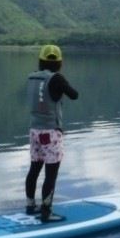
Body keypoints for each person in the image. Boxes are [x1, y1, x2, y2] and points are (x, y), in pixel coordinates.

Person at [25, 44, 79, 222]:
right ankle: (46, 212)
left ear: (41, 61)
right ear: (59, 63)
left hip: (34, 131)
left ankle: (30, 205)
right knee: (51, 174)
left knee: (34, 169)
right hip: (51, 133)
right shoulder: (57, 79)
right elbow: (74, 95)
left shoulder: (32, 77)